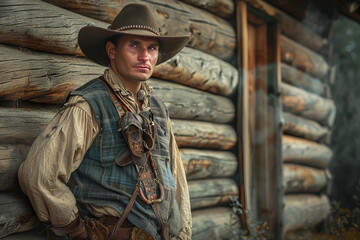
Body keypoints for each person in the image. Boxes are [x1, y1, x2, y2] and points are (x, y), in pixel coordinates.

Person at [18, 3, 192, 240]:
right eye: (134, 45)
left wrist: (183, 233)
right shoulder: (88, 104)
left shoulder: (158, 109)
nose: (144, 56)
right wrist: (75, 230)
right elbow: (38, 175)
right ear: (112, 50)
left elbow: (176, 180)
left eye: (152, 48)